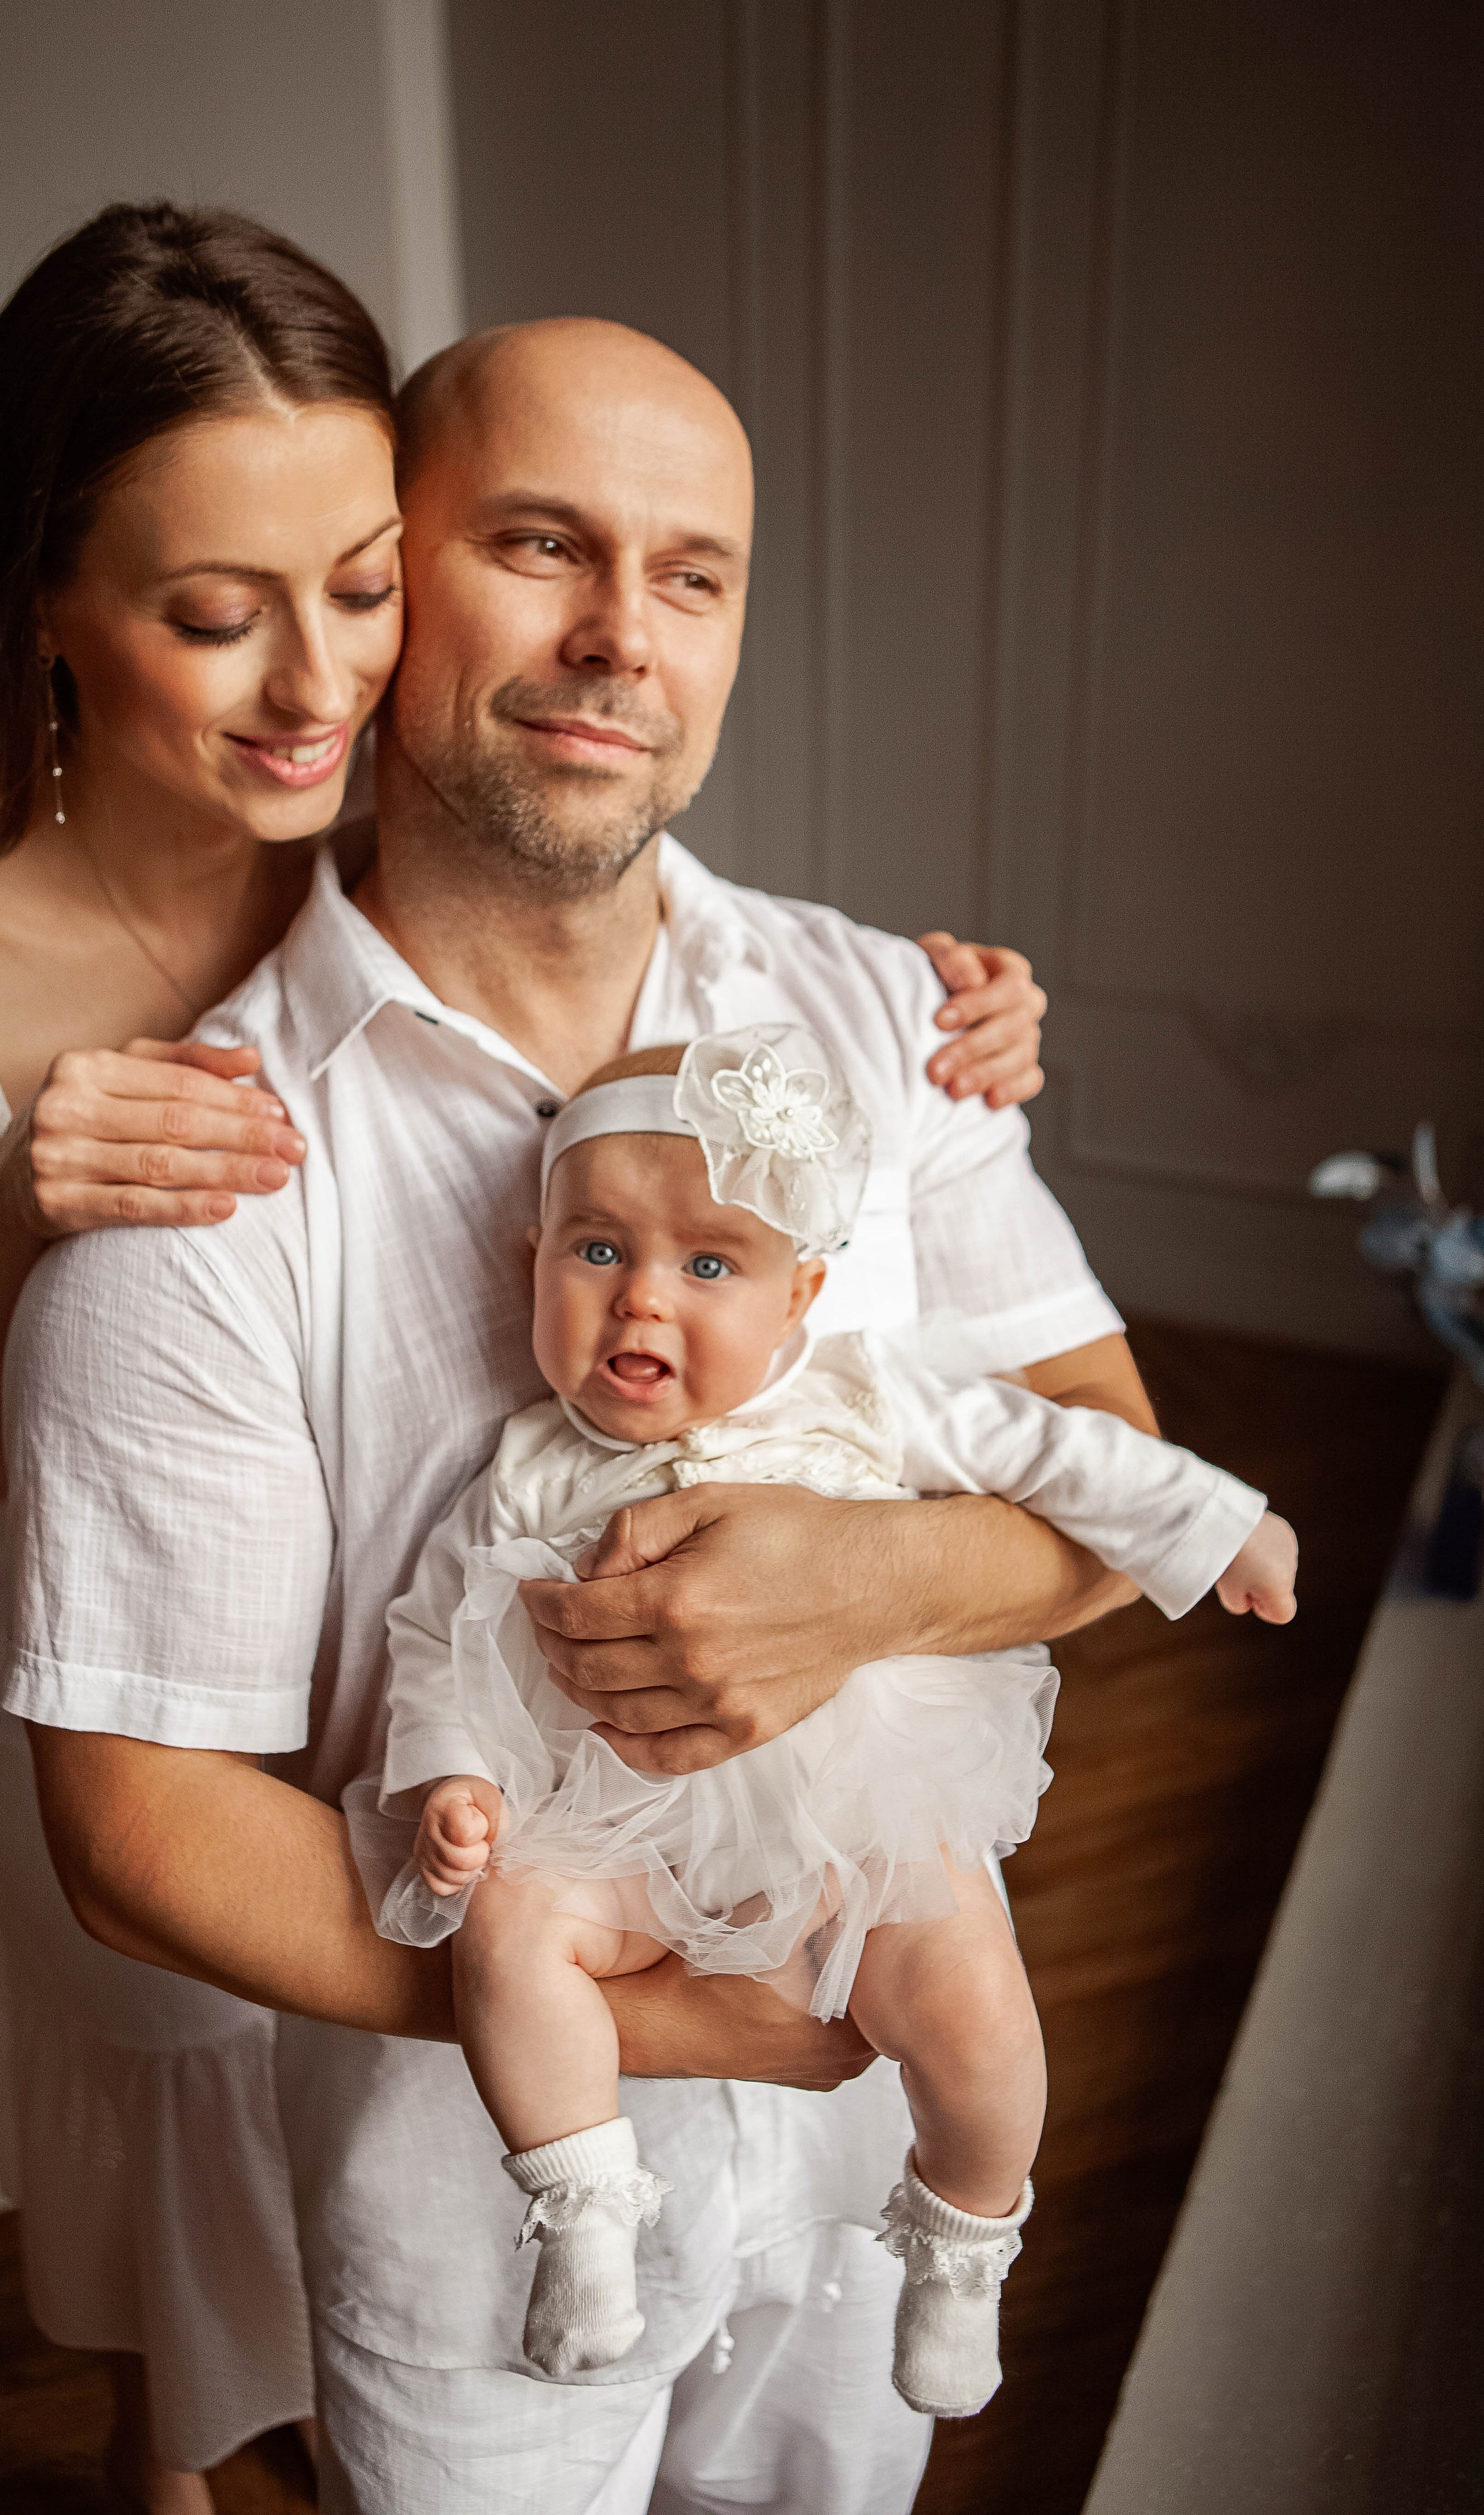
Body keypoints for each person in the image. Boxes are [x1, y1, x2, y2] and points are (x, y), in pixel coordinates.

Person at [0, 216, 1036, 2510]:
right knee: (170, 2090)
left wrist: (926, 1019)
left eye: (365, 589)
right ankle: (164, 2445)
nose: (310, 682)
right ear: (46, 596)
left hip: (347, 1544)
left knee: (337, 2100)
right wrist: (18, 1207)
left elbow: (583, 848)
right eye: (217, 615)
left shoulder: (365, 791)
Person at [360, 1028, 1298, 2415]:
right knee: (508, 1932)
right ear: (531, 1258)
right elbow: (428, 1636)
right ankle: (584, 2224)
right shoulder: (519, 1471)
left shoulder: (860, 1393)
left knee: (976, 2013)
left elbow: (1052, 1447)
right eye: (597, 1251)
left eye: (709, 1265)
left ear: (799, 1291)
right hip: (610, 1828)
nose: (642, 1307)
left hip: (849, 1831)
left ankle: (965, 2239)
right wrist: (447, 1779)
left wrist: (1214, 1516)